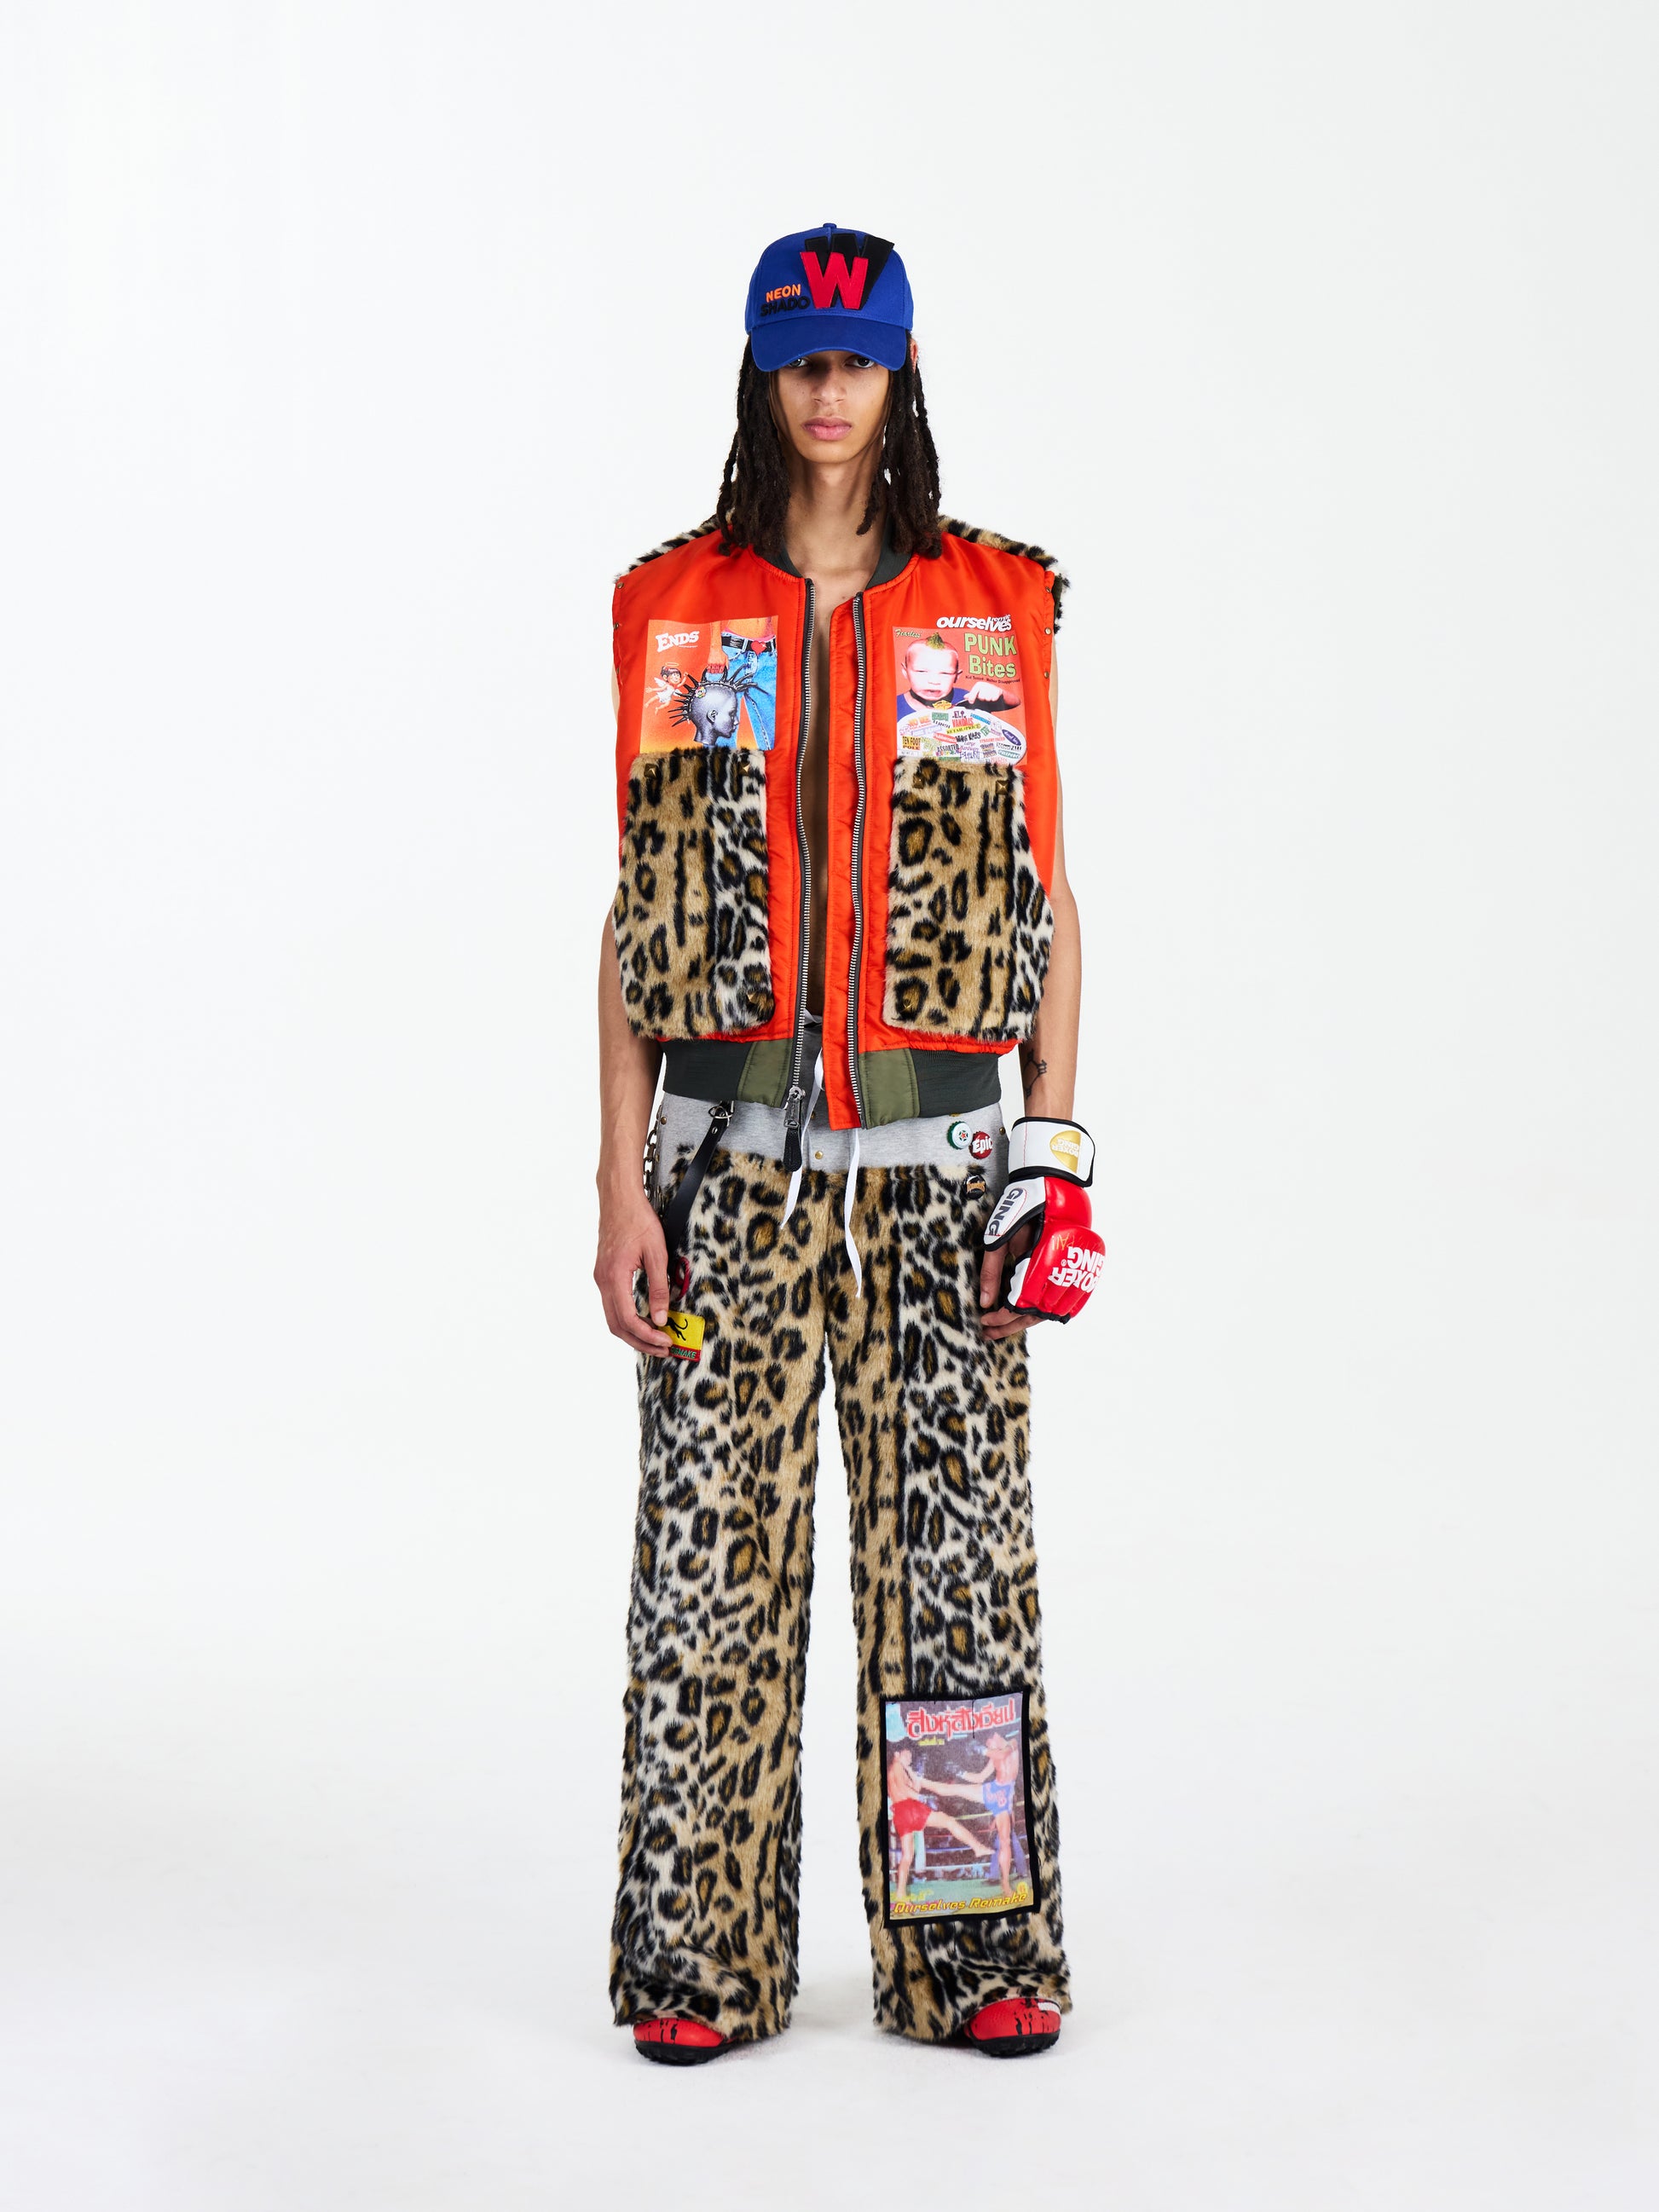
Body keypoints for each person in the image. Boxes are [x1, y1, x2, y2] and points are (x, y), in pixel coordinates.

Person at [595, 222, 1105, 2068]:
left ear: (898, 374)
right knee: (708, 1579)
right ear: (762, 373)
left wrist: (1053, 1150)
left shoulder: (994, 598)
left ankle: (970, 1957)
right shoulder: (673, 602)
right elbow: (632, 913)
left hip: (941, 1174)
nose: (829, 391)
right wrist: (617, 1182)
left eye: (857, 359)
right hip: (722, 1173)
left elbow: (1047, 896)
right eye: (801, 360)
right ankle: (700, 1960)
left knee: (954, 1574)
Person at [886, 1745, 996, 1899]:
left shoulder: (896, 1771)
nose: (909, 1757)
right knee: (948, 1821)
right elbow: (905, 1790)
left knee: (907, 1856)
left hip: (900, 1813)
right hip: (909, 1808)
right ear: (897, 1754)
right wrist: (922, 1798)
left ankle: (900, 1894)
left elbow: (913, 1788)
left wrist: (913, 1773)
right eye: (907, 1754)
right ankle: (977, 1847)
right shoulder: (897, 1765)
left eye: (910, 1756)